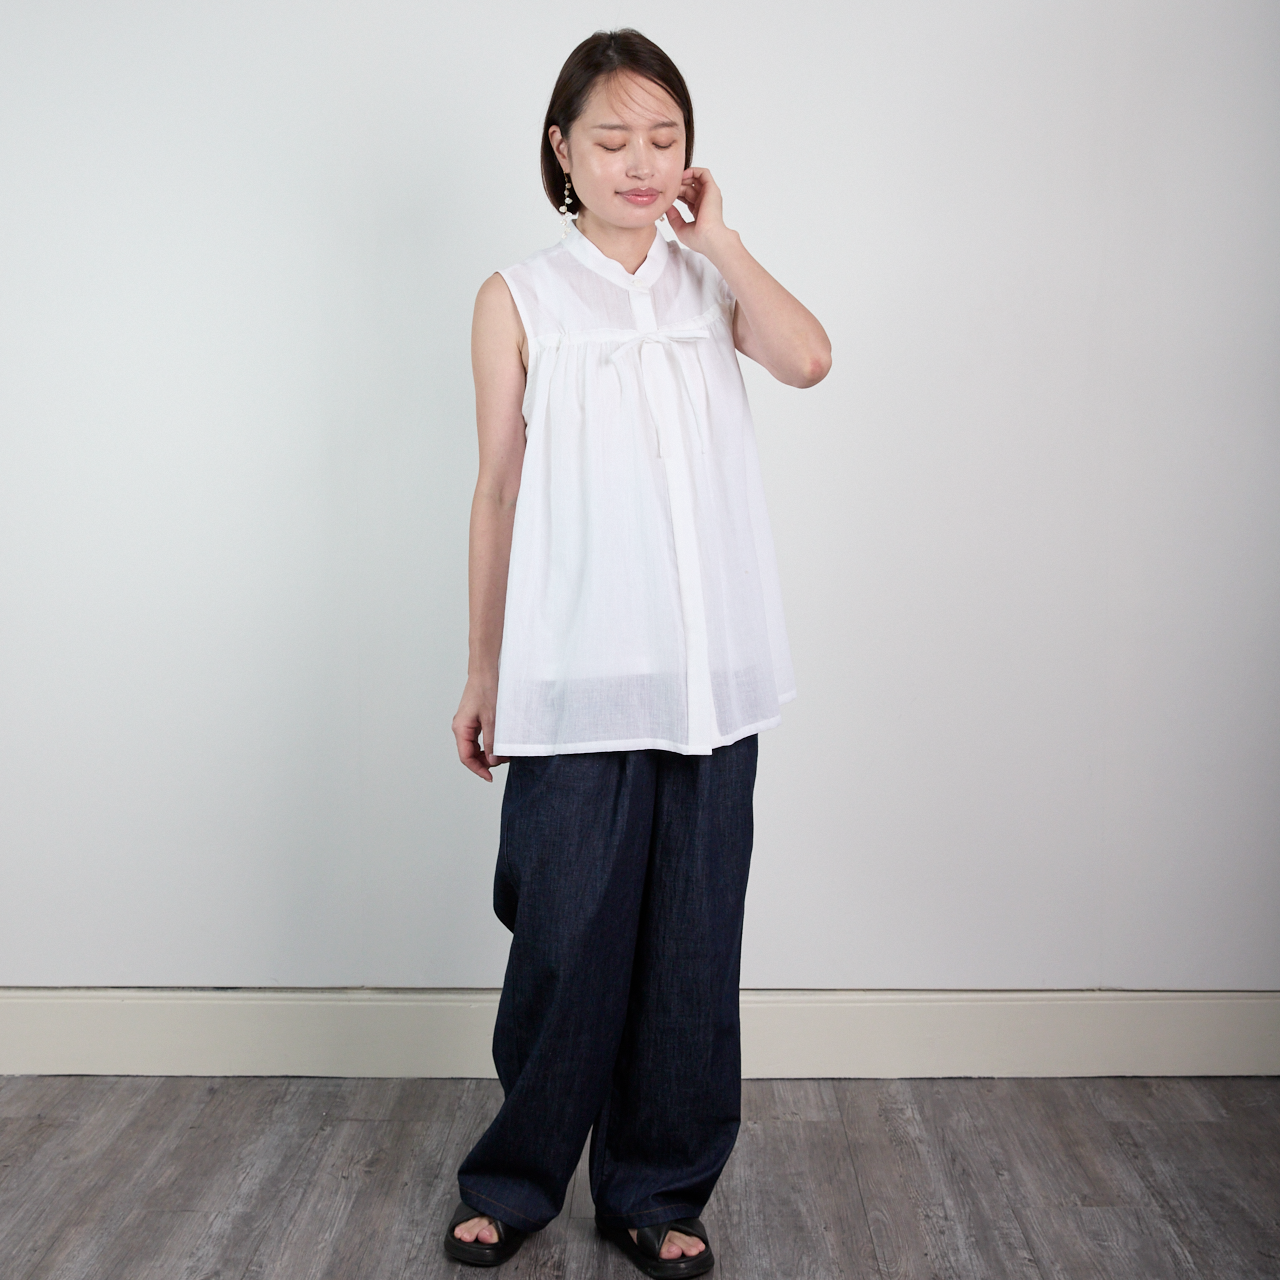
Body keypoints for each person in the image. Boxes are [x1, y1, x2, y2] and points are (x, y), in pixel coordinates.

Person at [444, 28, 830, 1277]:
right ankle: (514, 1179)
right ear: (560, 151)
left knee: (689, 949)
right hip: (572, 675)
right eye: (611, 138)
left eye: (663, 138)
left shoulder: (706, 284)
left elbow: (809, 358)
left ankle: (655, 1189)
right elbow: (496, 491)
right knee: (561, 940)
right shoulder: (518, 297)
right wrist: (483, 670)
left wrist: (721, 243)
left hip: (710, 676)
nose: (639, 161)